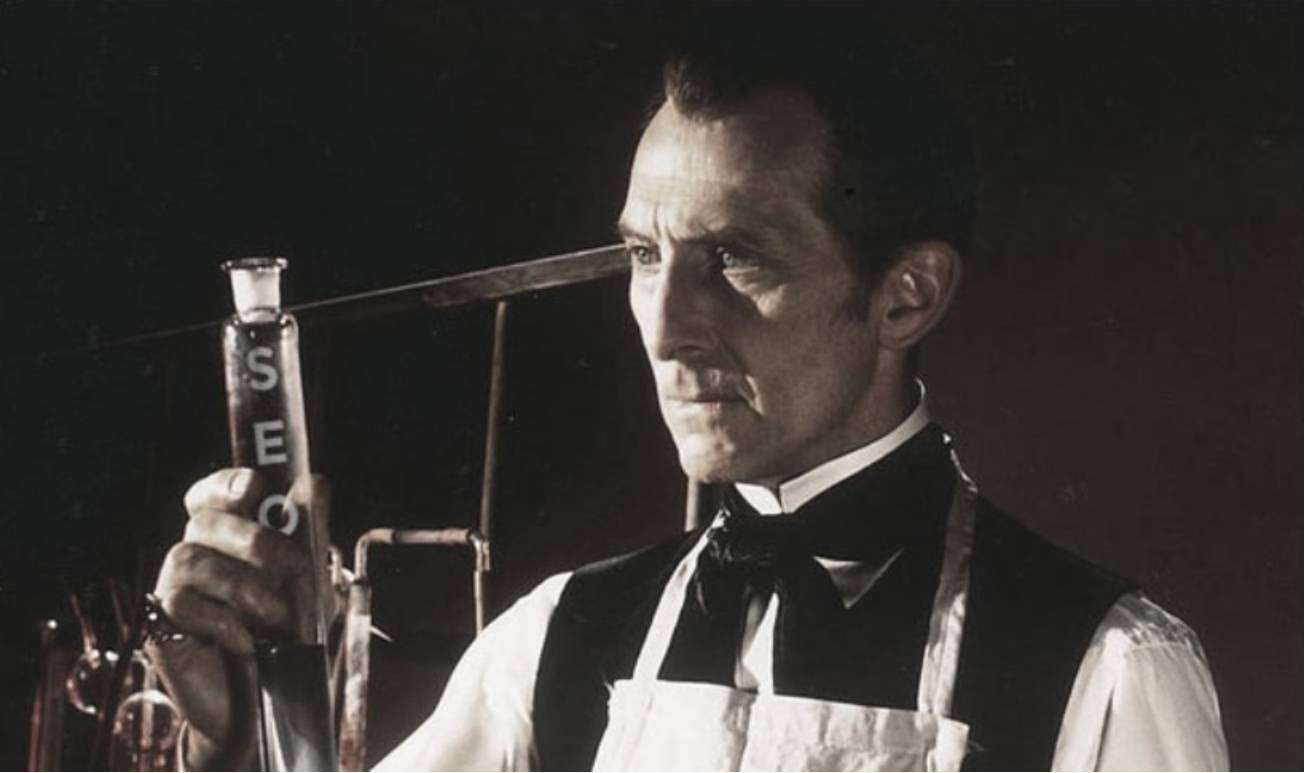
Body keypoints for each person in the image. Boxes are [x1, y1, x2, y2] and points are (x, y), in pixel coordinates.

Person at [148, 10, 1229, 771]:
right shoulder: (551, 640)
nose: (665, 328)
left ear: (907, 295)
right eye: (644, 257)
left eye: (736, 260)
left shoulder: (1108, 667)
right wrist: (237, 741)